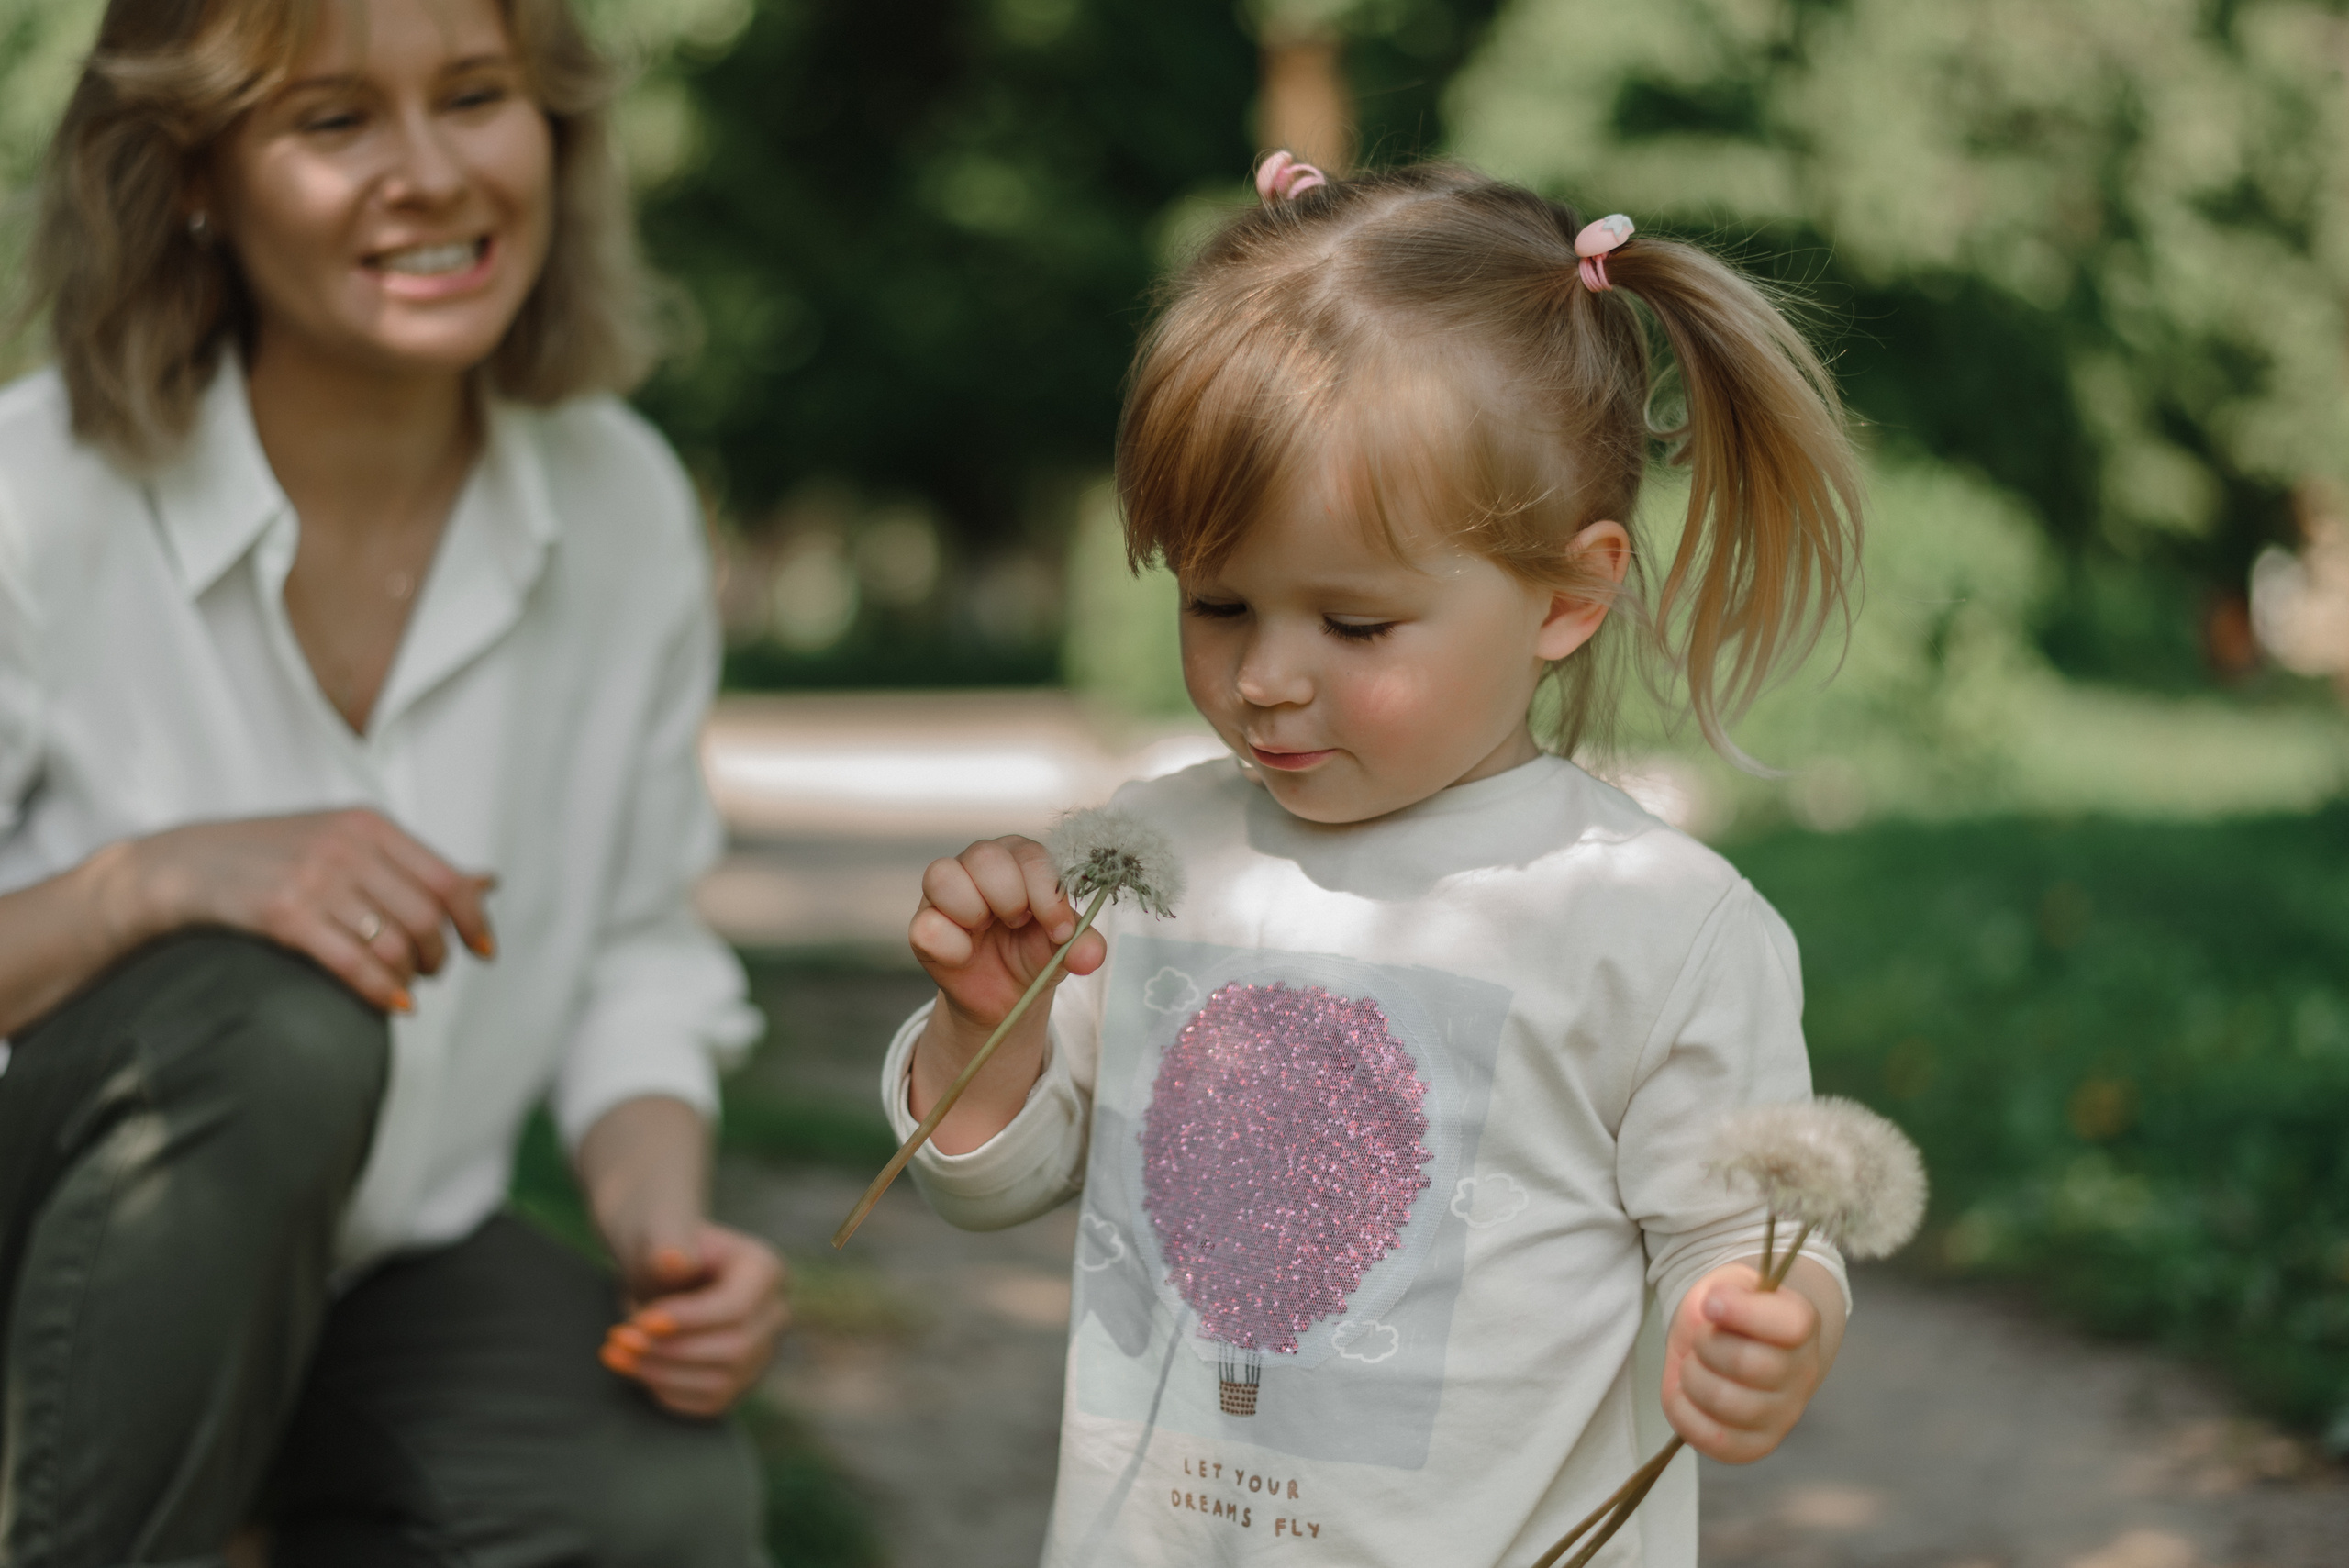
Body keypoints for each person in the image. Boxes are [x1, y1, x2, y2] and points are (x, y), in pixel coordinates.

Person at [885, 158, 1865, 1567]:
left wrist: (1767, 1319)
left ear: (1570, 597)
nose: (1269, 678)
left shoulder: (1653, 921)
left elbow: (1746, 1232)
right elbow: (989, 1184)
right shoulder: (1150, 854)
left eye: (1354, 625)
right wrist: (992, 1031)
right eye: (1220, 602)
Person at [0, 0, 785, 1561]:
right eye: (335, 119)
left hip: (385, 1273)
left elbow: (639, 950)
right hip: (49, 1260)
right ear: (197, 174)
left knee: (657, 1495)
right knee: (276, 1017)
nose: (429, 173)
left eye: (477, 96)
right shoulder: (36, 497)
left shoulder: (619, 497)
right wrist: (145, 883)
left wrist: (660, 1226)